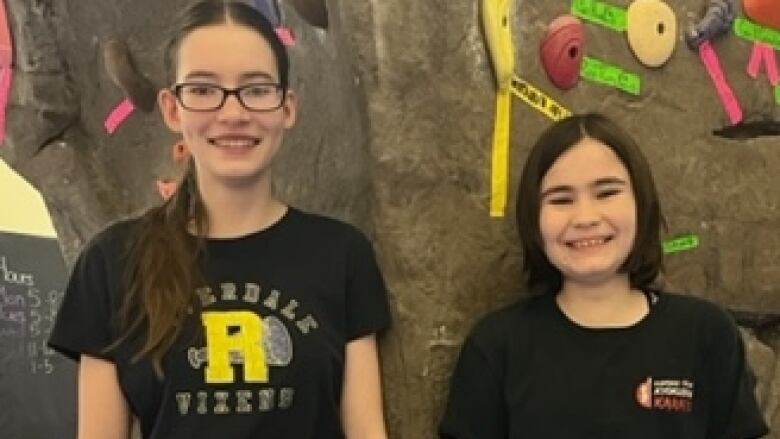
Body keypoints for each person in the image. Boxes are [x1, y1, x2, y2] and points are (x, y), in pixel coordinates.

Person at [48, 2, 391, 438]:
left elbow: (366, 431)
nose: (233, 113)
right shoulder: (112, 262)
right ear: (173, 109)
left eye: (256, 89)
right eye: (205, 89)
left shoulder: (342, 255)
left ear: (287, 107)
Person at [439, 113, 768, 439]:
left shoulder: (706, 335)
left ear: (641, 201)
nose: (585, 217)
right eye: (561, 199)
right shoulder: (497, 347)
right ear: (533, 218)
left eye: (607, 192)